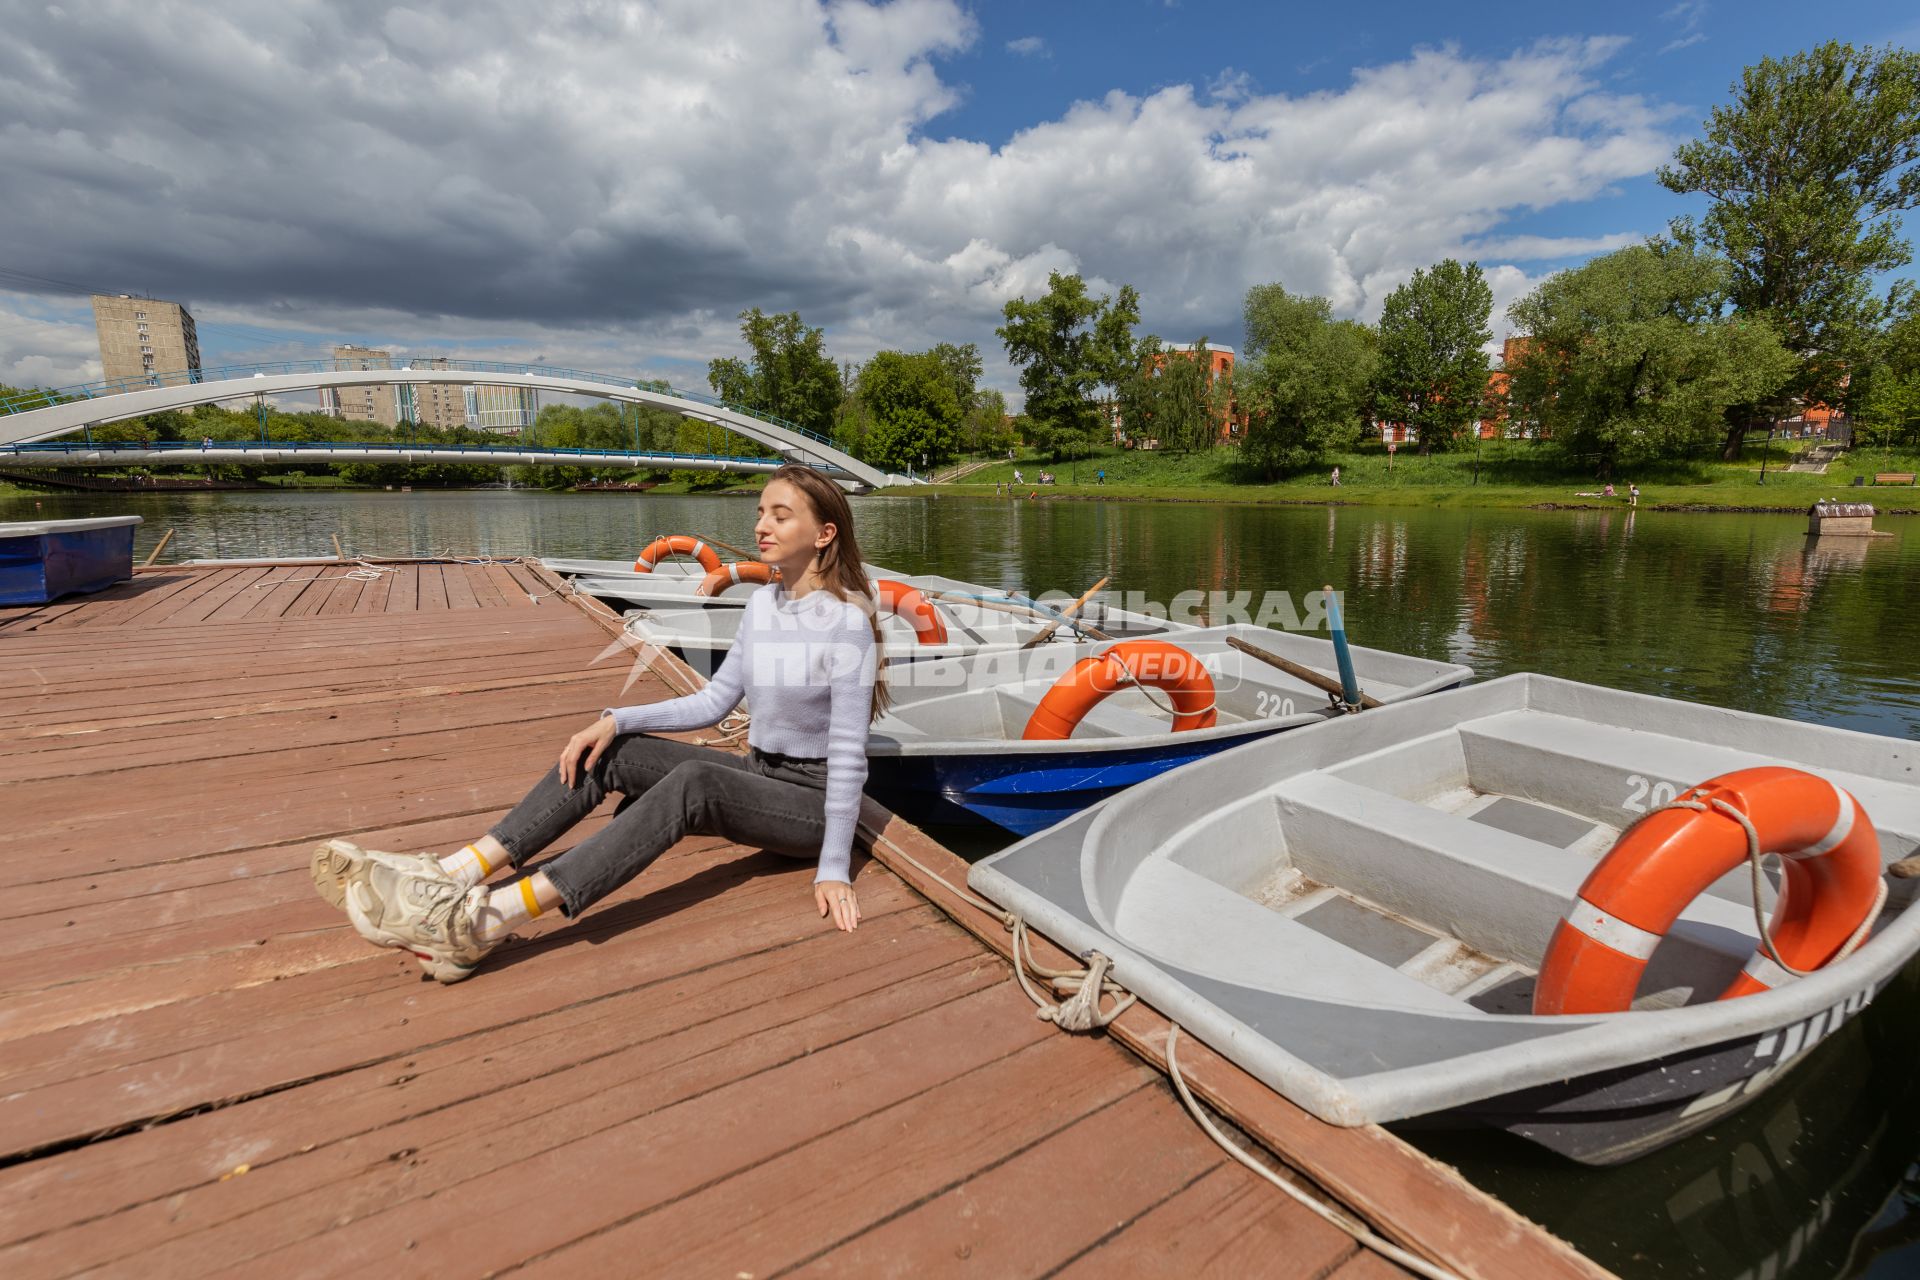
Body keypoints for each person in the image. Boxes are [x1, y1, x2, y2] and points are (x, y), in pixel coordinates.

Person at [310, 464, 884, 982]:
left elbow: (850, 758)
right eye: (760, 511)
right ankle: (459, 871)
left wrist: (833, 866)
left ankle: (480, 922)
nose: (762, 524)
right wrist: (615, 719)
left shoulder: (847, 625)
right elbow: (713, 702)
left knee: (695, 784)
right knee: (612, 751)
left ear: (824, 533)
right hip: (760, 774)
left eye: (781, 515)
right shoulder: (763, 605)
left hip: (809, 804)